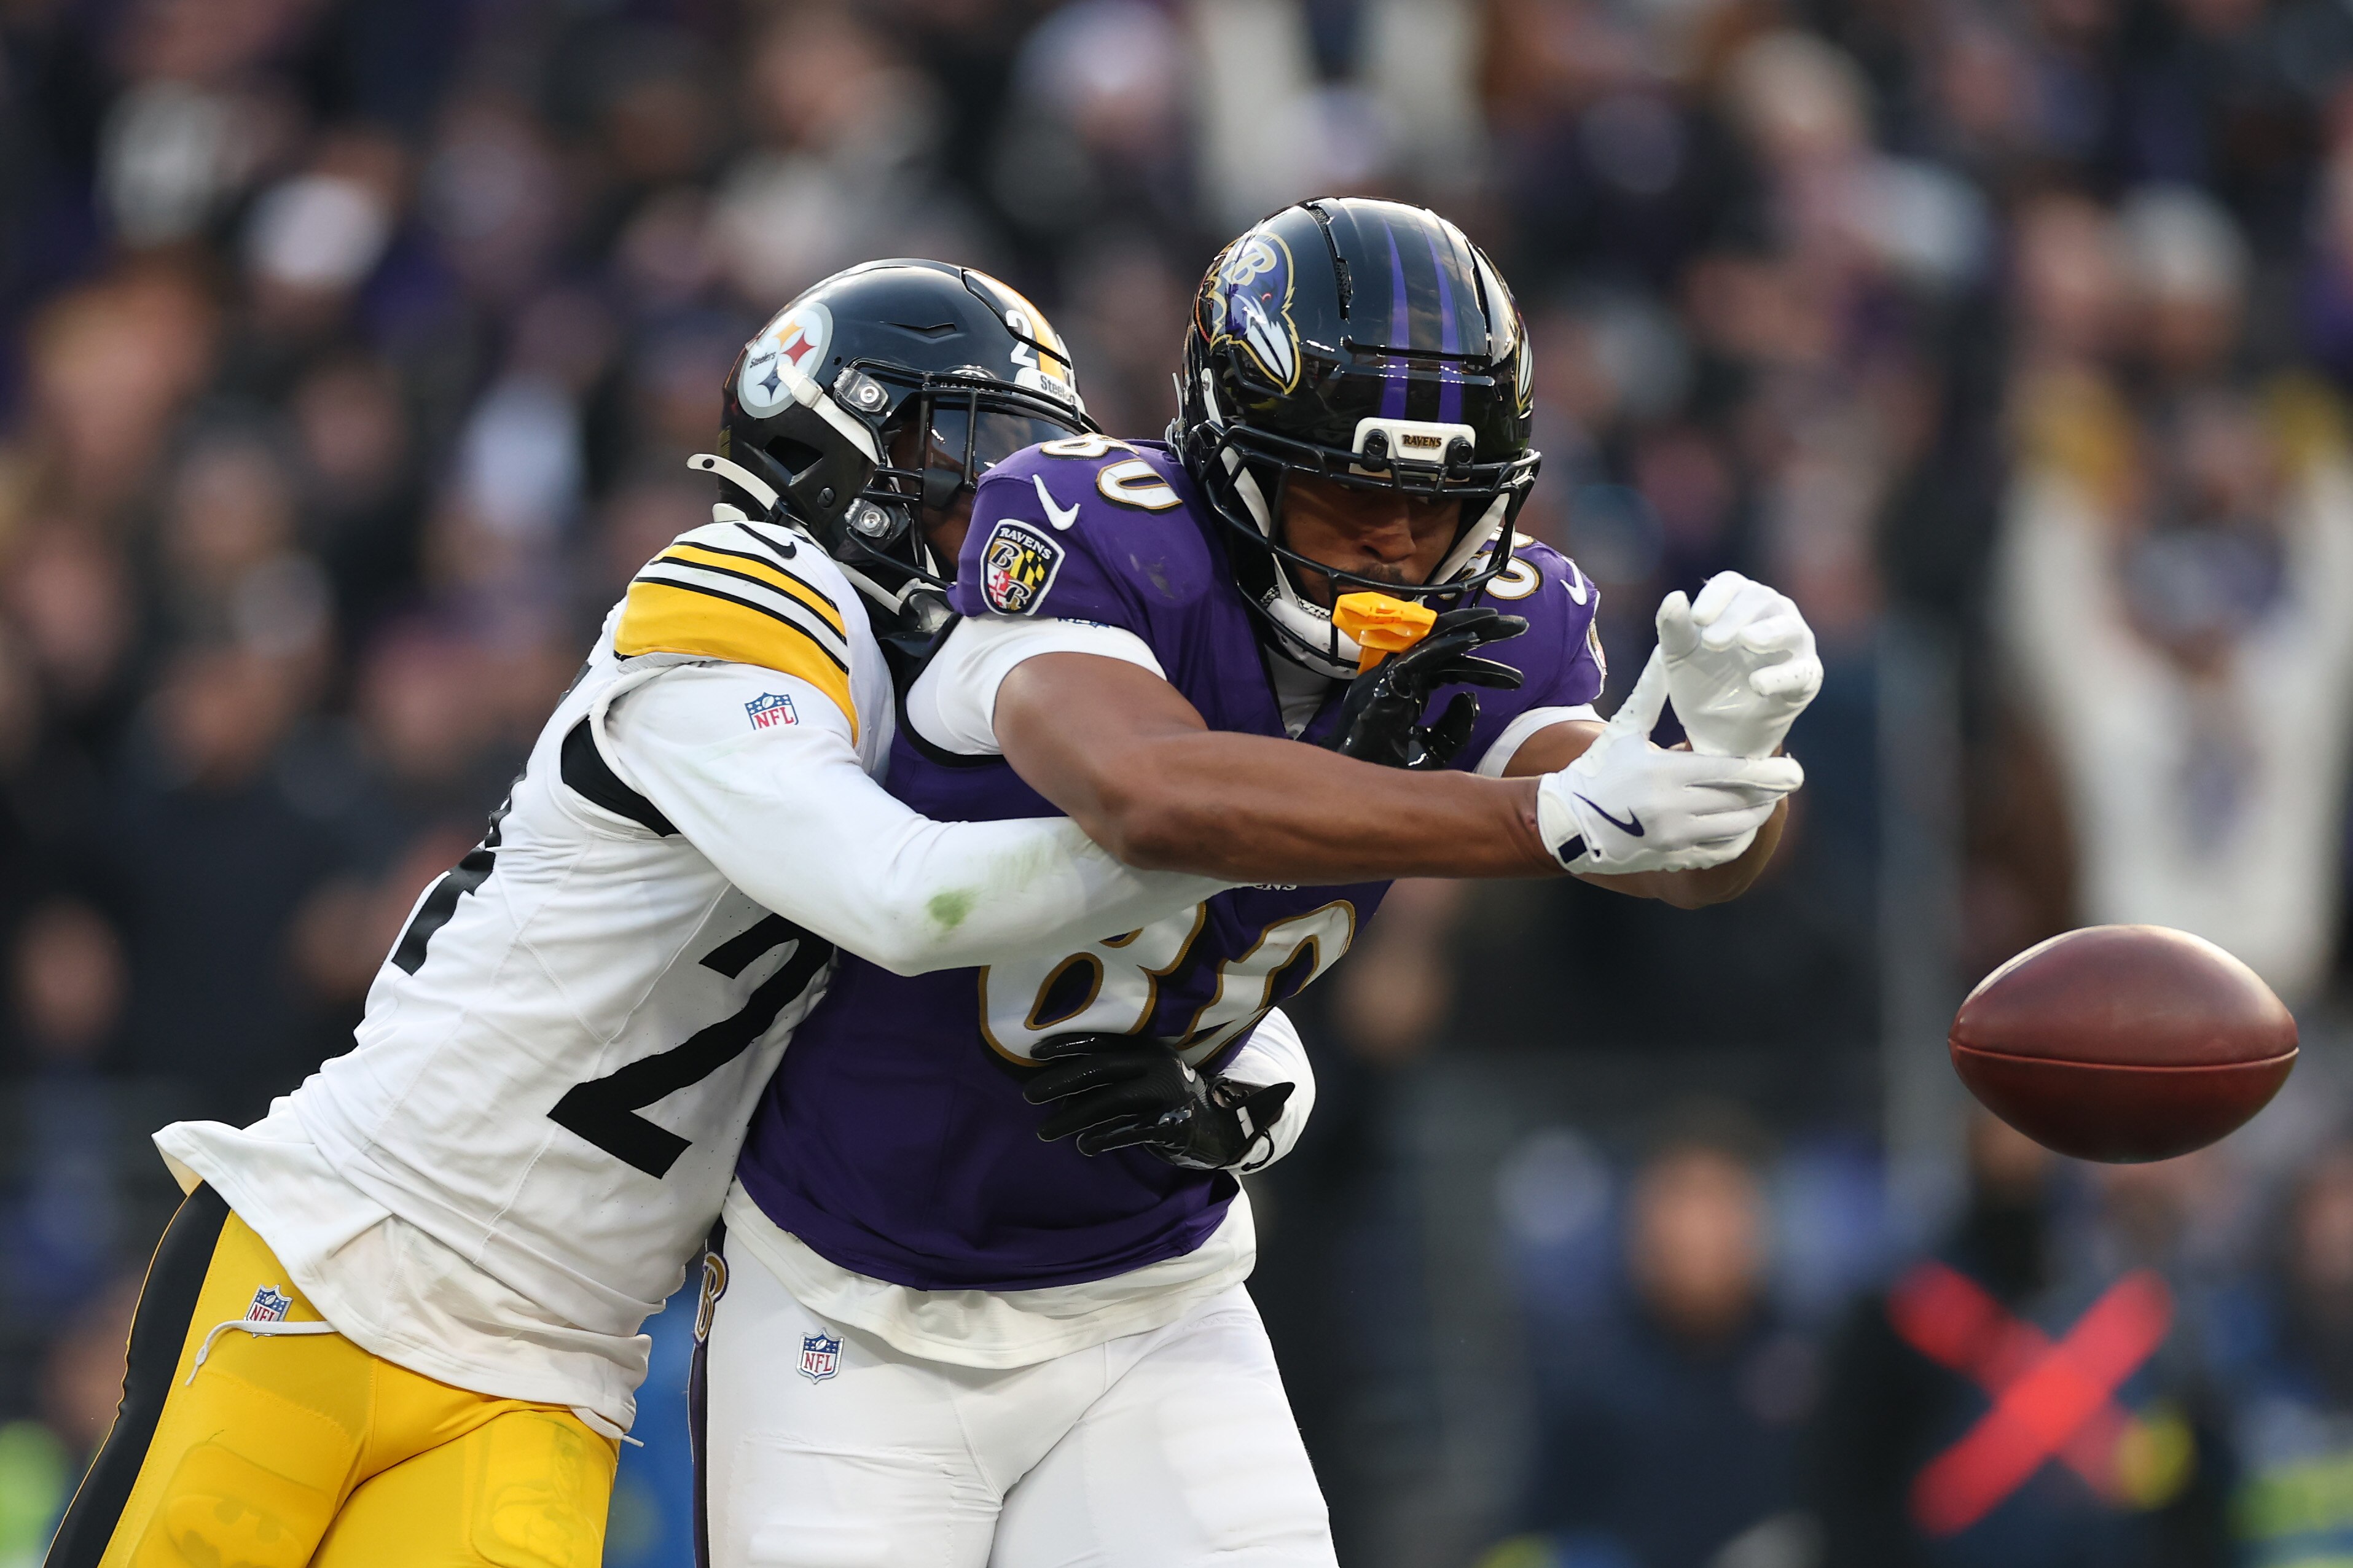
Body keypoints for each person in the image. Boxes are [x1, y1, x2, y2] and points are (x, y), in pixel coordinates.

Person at [45, 262, 1253, 1568]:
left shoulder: (951, 696)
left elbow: (1142, 971)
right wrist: (1211, 832)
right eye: (959, 452)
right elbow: (899, 894)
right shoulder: (741, 585)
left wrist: (1252, 1078)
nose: (995, 511)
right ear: (831, 438)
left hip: (556, 1349)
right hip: (353, 1240)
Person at [699, 198, 1822, 1567]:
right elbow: (1150, 793)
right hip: (851, 1280)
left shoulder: (1507, 623)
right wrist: (1553, 815)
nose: (1400, 541)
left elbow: (1645, 835)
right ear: (1231, 458)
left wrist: (1725, 782)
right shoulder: (1095, 532)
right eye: (1350, 493)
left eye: (1439, 498)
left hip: (1149, 1291)